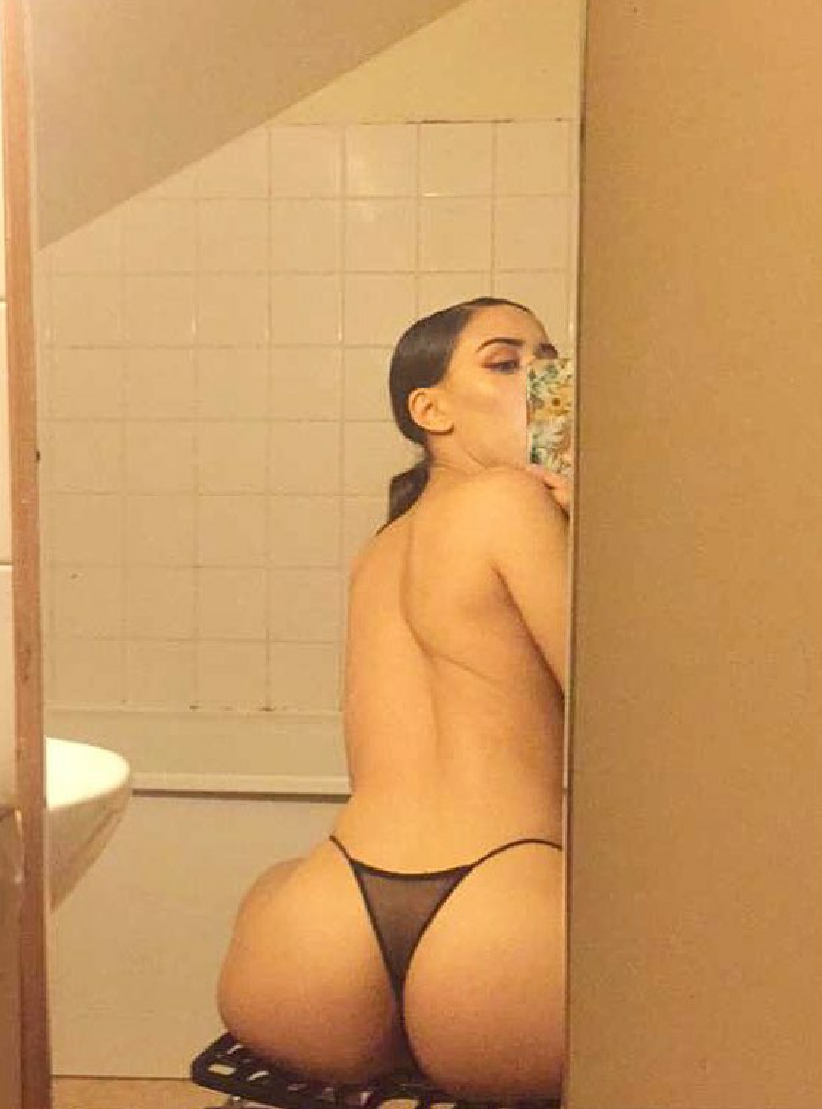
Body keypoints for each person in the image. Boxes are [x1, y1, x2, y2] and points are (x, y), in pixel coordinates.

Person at [215, 297, 572, 1102]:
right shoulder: (512, 502)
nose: (542, 379)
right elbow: (620, 703)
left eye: (548, 361)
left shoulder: (378, 549)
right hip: (497, 922)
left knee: (274, 881)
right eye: (506, 361)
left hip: (324, 933)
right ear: (431, 411)